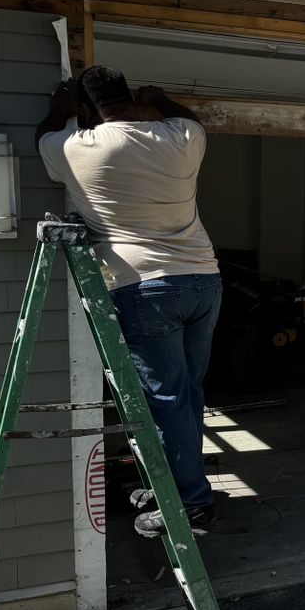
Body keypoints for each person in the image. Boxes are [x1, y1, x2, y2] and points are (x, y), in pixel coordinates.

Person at [36, 66, 222, 537]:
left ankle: (190, 504)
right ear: (133, 101)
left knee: (165, 401)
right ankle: (170, 485)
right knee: (186, 394)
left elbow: (43, 135)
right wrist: (158, 98)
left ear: (86, 109)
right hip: (203, 279)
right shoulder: (181, 135)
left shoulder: (78, 147)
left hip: (142, 286)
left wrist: (61, 108)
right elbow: (190, 117)